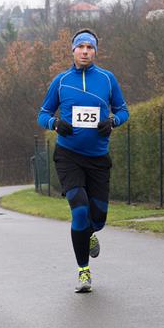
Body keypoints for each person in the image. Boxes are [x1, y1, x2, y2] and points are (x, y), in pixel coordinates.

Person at [38, 28, 129, 293]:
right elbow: (43, 114)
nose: (85, 52)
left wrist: (113, 121)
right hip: (68, 156)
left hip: (98, 159)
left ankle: (90, 233)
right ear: (73, 50)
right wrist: (55, 124)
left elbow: (123, 110)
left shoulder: (107, 79)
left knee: (97, 218)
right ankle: (83, 271)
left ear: (95, 51)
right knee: (79, 210)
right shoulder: (61, 81)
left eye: (90, 47)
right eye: (81, 47)